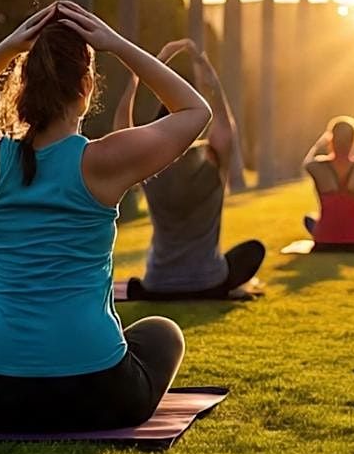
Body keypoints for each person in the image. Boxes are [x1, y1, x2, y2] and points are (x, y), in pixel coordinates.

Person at [0, 1, 212, 434]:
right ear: (85, 88)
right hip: (96, 393)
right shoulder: (104, 161)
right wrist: (118, 46)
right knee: (162, 331)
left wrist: (9, 47)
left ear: (26, 84)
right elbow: (195, 112)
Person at [114, 38, 265, 300]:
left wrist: (144, 73)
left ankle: (148, 289)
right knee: (253, 250)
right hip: (209, 282)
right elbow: (225, 125)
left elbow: (121, 129)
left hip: (158, 284)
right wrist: (205, 70)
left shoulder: (149, 166)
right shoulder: (212, 161)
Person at [302, 116, 354, 251]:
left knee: (309, 218)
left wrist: (318, 144)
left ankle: (332, 237)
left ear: (331, 140)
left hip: (324, 243)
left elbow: (306, 163)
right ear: (353, 141)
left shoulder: (318, 166)